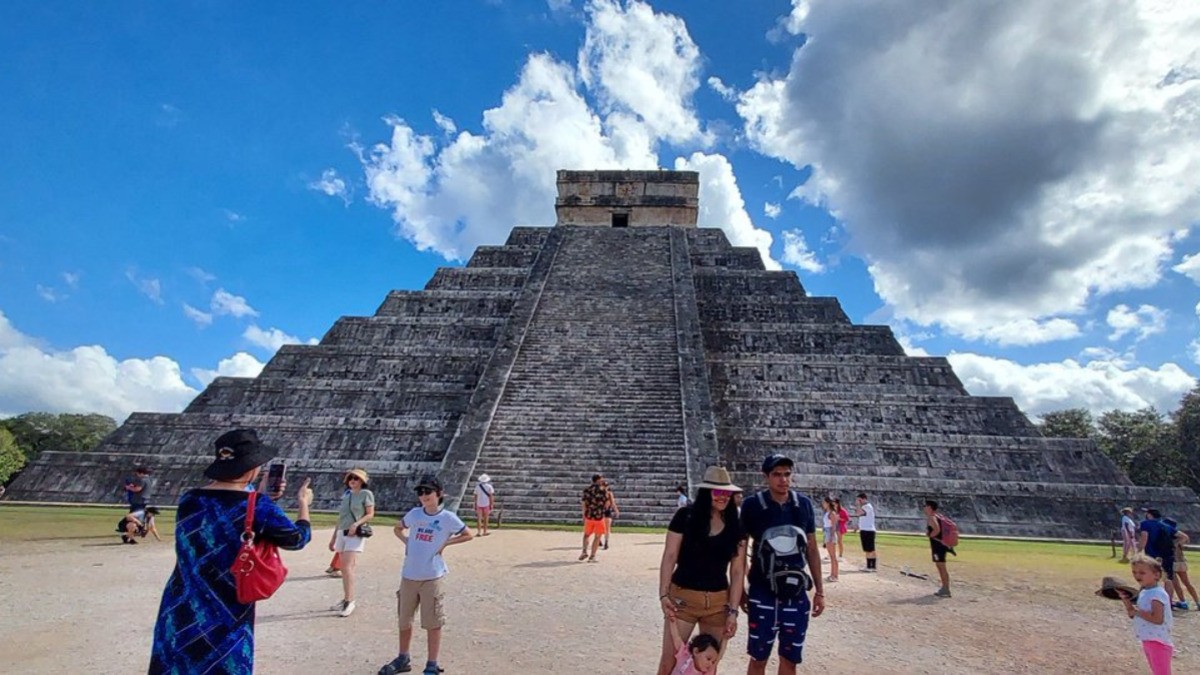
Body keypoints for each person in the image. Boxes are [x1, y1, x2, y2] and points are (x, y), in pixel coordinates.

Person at [149, 429, 313, 673]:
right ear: (251, 467)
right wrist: (303, 505)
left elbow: (222, 520)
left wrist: (261, 496)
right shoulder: (257, 505)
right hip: (225, 609)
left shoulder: (189, 499)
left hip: (181, 603)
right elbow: (297, 539)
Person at [378, 475, 473, 675]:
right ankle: (403, 657)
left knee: (433, 622)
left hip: (432, 575)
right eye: (420, 492)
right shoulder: (414, 514)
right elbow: (398, 527)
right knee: (404, 620)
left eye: (428, 492)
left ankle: (432, 663)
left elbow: (468, 534)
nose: (423, 496)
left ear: (439, 494)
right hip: (409, 575)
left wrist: (446, 543)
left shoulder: (447, 517)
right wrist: (406, 542)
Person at [656, 466, 746, 675]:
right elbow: (670, 555)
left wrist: (733, 611)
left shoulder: (736, 525)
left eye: (727, 493)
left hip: (717, 603)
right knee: (668, 663)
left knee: (708, 666)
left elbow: (737, 571)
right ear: (707, 493)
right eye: (718, 492)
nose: (723, 497)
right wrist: (663, 593)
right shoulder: (685, 517)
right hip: (683, 599)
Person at [739, 454, 824, 674]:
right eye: (777, 474)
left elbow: (812, 549)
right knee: (759, 657)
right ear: (766, 476)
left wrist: (820, 591)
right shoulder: (752, 506)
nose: (783, 479)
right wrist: (739, 588)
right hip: (762, 590)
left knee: (790, 658)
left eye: (787, 474)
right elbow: (739, 551)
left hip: (795, 593)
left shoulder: (803, 505)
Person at [1115, 554, 1173, 674]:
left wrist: (1137, 612)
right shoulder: (1145, 592)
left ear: (1156, 575)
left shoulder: (1157, 594)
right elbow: (1132, 614)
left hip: (1158, 642)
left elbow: (1157, 619)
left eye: (1142, 573)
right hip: (1148, 640)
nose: (1137, 576)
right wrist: (1125, 599)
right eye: (1134, 572)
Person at [329, 468, 375, 618]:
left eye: (356, 479)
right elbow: (341, 517)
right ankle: (346, 598)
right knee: (344, 568)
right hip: (342, 531)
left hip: (354, 533)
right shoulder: (347, 495)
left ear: (362, 481)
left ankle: (350, 600)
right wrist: (334, 537)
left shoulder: (366, 494)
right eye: (351, 479)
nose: (353, 481)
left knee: (347, 567)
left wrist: (356, 524)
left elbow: (370, 514)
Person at [1138, 508, 1178, 605]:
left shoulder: (1146, 524)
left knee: (1147, 576)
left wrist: (1139, 551)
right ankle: (1168, 602)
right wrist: (1174, 545)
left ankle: (1144, 598)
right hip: (1167, 555)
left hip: (1152, 555)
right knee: (1168, 579)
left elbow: (1144, 537)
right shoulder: (1166, 526)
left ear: (1149, 515)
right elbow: (1184, 537)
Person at [1162, 519, 1196, 610]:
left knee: (1176, 584)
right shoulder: (1179, 538)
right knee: (1187, 583)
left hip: (1173, 562)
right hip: (1181, 561)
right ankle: (1197, 601)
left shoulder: (1167, 537)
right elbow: (1186, 538)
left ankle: (1183, 602)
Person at [924, 500, 952, 598]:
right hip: (942, 545)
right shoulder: (938, 516)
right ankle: (945, 587)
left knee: (941, 566)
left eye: (925, 506)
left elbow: (936, 530)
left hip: (938, 545)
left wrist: (929, 535)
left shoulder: (932, 518)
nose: (924, 508)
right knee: (941, 566)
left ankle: (945, 588)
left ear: (930, 507)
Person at [579, 474, 607, 562]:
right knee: (597, 536)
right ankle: (592, 556)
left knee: (586, 535)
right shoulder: (603, 490)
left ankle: (584, 551)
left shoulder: (587, 490)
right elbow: (606, 503)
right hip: (599, 516)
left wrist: (584, 514)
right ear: (598, 480)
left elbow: (583, 503)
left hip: (589, 515)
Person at [855, 492, 878, 572]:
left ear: (864, 499)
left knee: (870, 549)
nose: (859, 501)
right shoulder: (864, 507)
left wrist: (858, 505)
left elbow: (858, 513)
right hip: (864, 529)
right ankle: (869, 565)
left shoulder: (867, 507)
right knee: (867, 549)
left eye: (859, 500)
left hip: (868, 530)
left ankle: (872, 566)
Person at [820, 497, 839, 582]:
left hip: (830, 533)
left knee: (833, 556)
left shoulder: (832, 513)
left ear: (827, 503)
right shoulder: (827, 512)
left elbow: (834, 526)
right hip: (827, 532)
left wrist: (831, 537)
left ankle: (835, 575)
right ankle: (832, 574)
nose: (823, 504)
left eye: (824, 503)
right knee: (831, 556)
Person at [602, 479, 620, 549]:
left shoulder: (608, 494)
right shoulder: (606, 493)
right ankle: (602, 540)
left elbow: (612, 503)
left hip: (606, 511)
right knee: (602, 527)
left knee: (607, 528)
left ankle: (606, 541)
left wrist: (616, 510)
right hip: (602, 511)